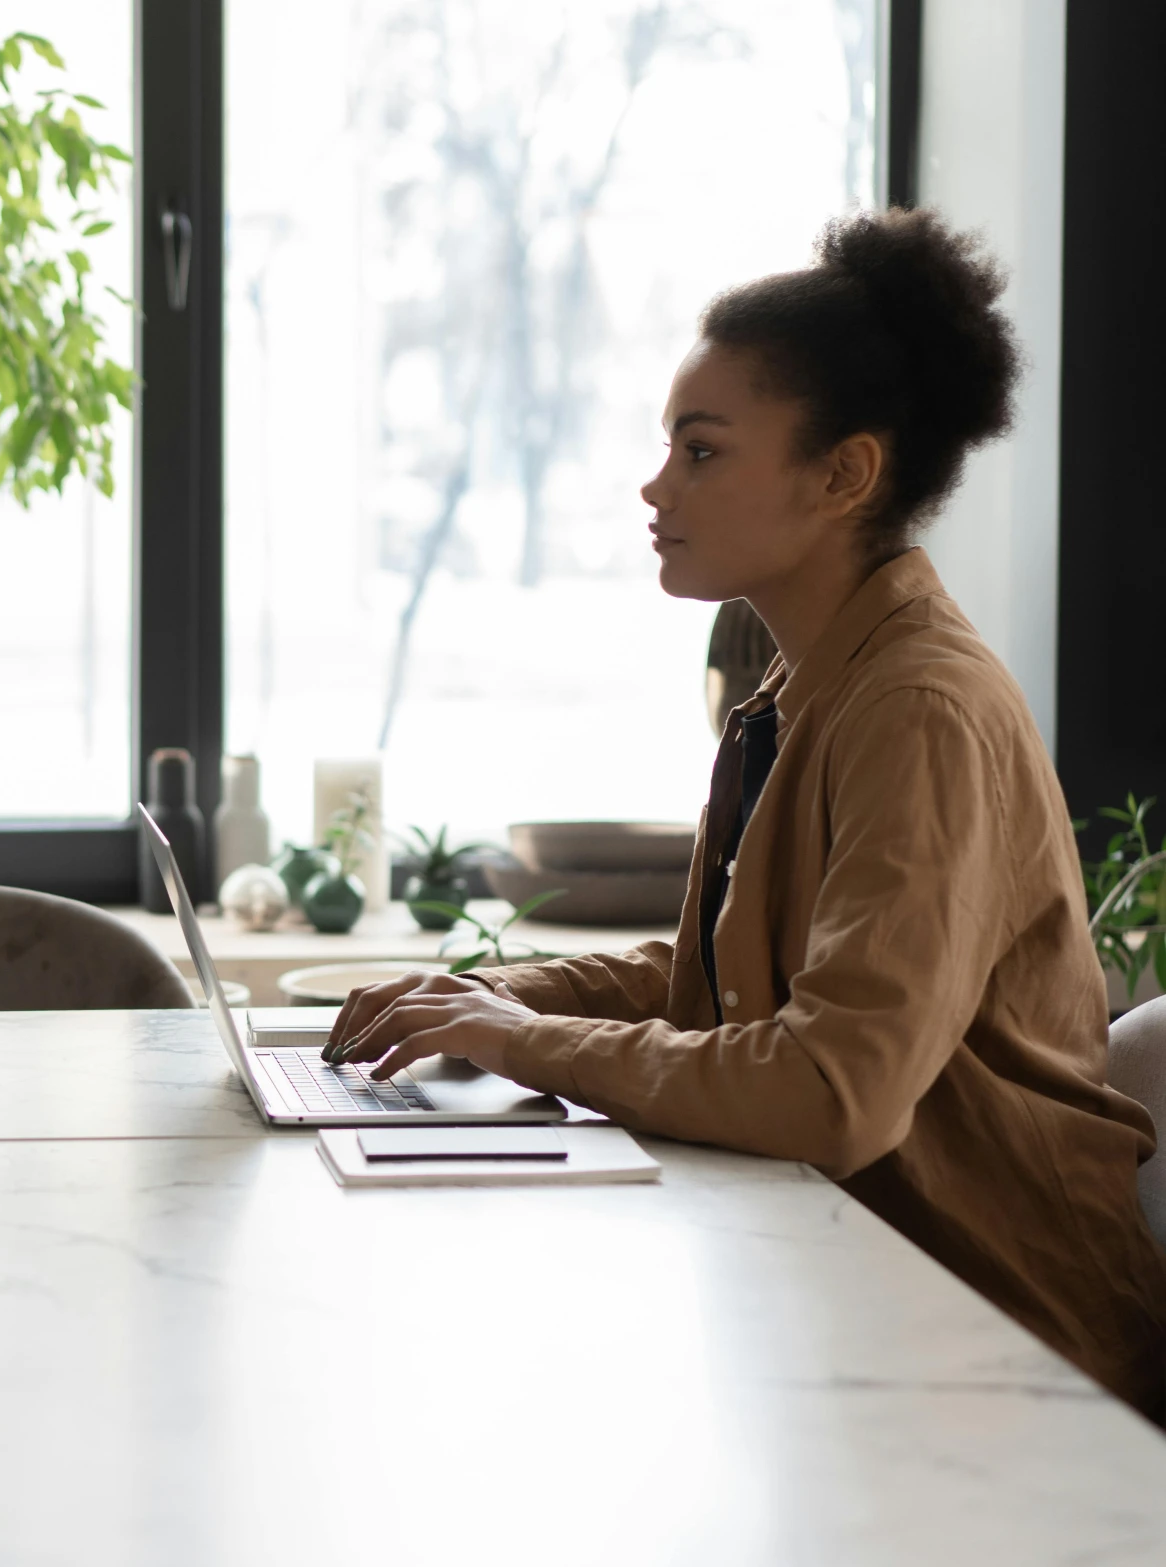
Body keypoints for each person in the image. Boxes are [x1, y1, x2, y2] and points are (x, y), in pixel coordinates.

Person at [325, 208, 1166, 1418]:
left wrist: (521, 1043)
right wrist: (508, 996)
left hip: (1013, 1353)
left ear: (844, 474)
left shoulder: (919, 708)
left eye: (702, 451)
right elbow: (739, 978)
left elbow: (834, 1088)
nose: (656, 483)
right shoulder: (804, 688)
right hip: (861, 1300)